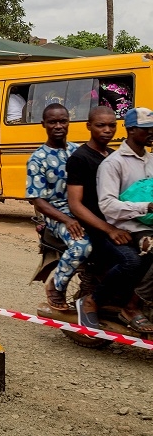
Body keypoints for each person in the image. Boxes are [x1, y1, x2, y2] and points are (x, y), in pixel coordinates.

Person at [68, 106, 145, 329]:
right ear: (89, 126)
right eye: (101, 125)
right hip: (96, 229)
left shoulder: (113, 155)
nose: (107, 130)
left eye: (111, 125)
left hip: (120, 222)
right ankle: (92, 301)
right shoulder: (80, 158)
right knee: (132, 261)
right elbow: (75, 204)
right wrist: (109, 230)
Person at [93, 107, 153, 333]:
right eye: (146, 129)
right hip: (129, 226)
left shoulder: (151, 159)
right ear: (131, 130)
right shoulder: (113, 163)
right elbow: (107, 205)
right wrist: (144, 206)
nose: (151, 133)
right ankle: (132, 306)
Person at [26, 103, 90, 312]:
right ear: (43, 124)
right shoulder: (38, 159)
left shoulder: (77, 151)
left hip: (81, 208)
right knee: (82, 246)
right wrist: (67, 220)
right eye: (52, 122)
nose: (58, 126)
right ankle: (57, 285)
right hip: (57, 215)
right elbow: (37, 200)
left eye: (62, 121)